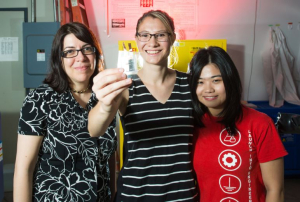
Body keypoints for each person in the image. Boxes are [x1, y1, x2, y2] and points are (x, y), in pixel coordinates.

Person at [89, 10, 198, 202]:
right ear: (137, 39)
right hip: (135, 194)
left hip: (182, 195)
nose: (152, 42)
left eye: (161, 35)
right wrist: (105, 105)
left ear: (172, 38)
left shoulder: (190, 84)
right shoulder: (126, 87)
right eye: (145, 35)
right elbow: (94, 130)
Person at [14, 22, 117, 202]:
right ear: (58, 58)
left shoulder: (105, 97)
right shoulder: (39, 100)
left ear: (96, 53)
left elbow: (109, 161)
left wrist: (113, 194)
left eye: (87, 49)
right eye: (70, 51)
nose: (81, 57)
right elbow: (24, 169)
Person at [188, 46, 288, 202]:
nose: (208, 89)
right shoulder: (191, 126)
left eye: (216, 80)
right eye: (200, 82)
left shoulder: (259, 123)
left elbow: (275, 190)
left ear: (230, 80)